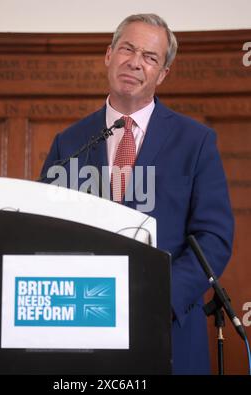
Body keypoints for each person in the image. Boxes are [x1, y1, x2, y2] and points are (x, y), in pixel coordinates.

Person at [40, 13, 234, 374]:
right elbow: (43, 230)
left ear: (163, 74)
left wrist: (160, 299)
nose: (135, 62)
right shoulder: (68, 142)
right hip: (85, 330)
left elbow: (215, 238)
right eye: (127, 48)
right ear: (108, 55)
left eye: (150, 56)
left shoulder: (196, 142)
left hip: (168, 332)